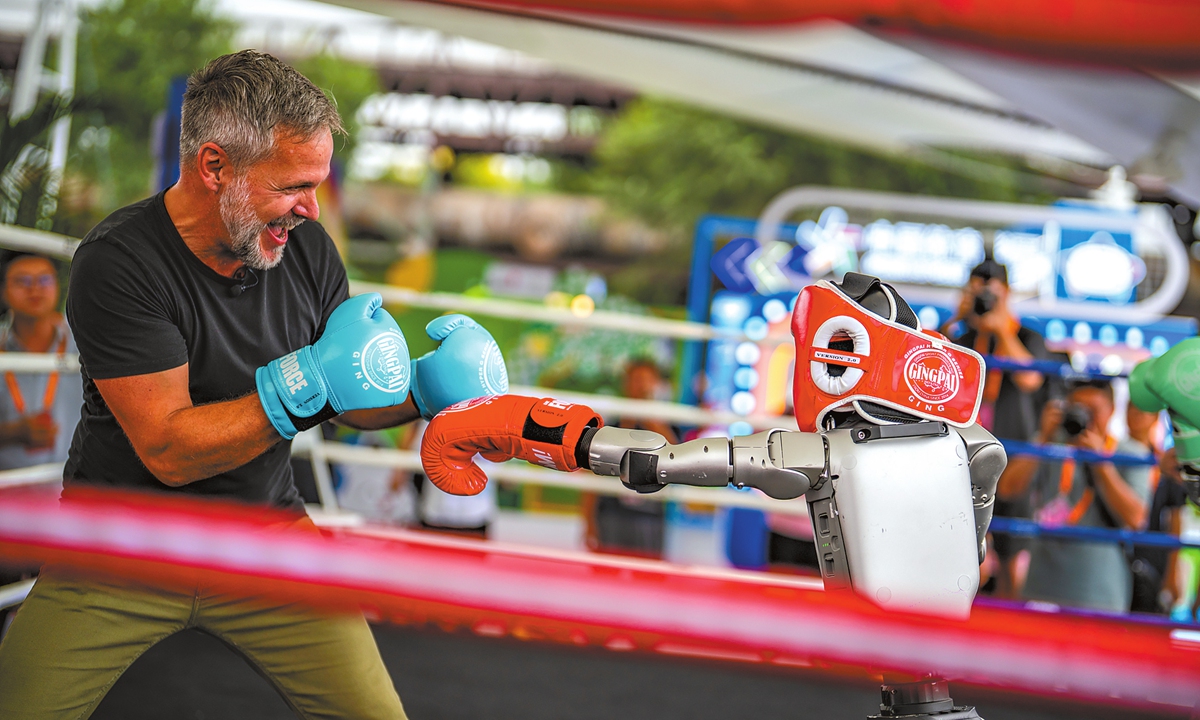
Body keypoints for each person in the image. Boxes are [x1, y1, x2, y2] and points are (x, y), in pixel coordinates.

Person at [0, 51, 499, 720]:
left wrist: (423, 390)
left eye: (318, 184)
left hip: (266, 537)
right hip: (121, 548)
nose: (311, 207)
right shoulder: (119, 263)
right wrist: (304, 380)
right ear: (214, 167)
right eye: (294, 184)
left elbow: (345, 396)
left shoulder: (308, 247)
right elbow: (170, 450)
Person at [998, 381, 1151, 613]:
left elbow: (1137, 519)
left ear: (1111, 410)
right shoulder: (1050, 446)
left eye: (1093, 411)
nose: (1084, 418)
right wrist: (1042, 439)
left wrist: (1101, 464)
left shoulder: (1131, 454)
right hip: (1041, 587)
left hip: (1099, 593)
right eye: (1077, 409)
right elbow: (1007, 489)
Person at [944, 259, 1047, 598]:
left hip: (1013, 457)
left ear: (1008, 294)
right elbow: (933, 362)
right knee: (960, 545)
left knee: (1011, 553)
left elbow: (1031, 378)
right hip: (966, 454)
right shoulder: (966, 335)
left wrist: (1002, 328)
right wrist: (958, 317)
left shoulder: (1026, 335)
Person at [583, 358, 676, 557]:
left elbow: (675, 456)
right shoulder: (611, 427)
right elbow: (592, 478)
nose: (641, 385)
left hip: (648, 515)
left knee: (647, 578)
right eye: (635, 379)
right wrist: (589, 522)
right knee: (608, 575)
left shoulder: (664, 426)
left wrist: (649, 417)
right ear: (625, 383)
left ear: (656, 384)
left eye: (646, 380)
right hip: (611, 514)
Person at [0, 252, 83, 471]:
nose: (35, 288)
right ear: (3, 292)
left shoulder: (85, 343)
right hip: (8, 495)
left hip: (75, 493)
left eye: (45, 279)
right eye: (22, 281)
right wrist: (12, 433)